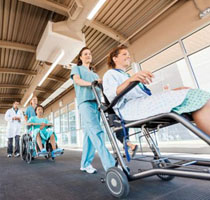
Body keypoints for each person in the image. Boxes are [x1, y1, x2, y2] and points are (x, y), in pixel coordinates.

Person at [103, 45, 210, 136]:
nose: (128, 56)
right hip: (131, 108)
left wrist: (173, 91)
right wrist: (131, 80)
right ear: (115, 58)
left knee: (193, 94)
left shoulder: (126, 76)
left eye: (128, 54)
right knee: (195, 96)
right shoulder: (110, 74)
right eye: (124, 54)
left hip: (142, 104)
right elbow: (112, 94)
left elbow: (149, 98)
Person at [70, 47, 115, 174]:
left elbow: (100, 89)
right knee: (97, 132)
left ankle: (85, 164)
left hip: (96, 104)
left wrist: (100, 83)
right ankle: (111, 165)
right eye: (85, 54)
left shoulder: (95, 75)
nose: (88, 55)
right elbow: (77, 81)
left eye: (89, 54)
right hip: (84, 103)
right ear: (80, 57)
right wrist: (92, 83)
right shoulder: (77, 69)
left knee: (89, 136)